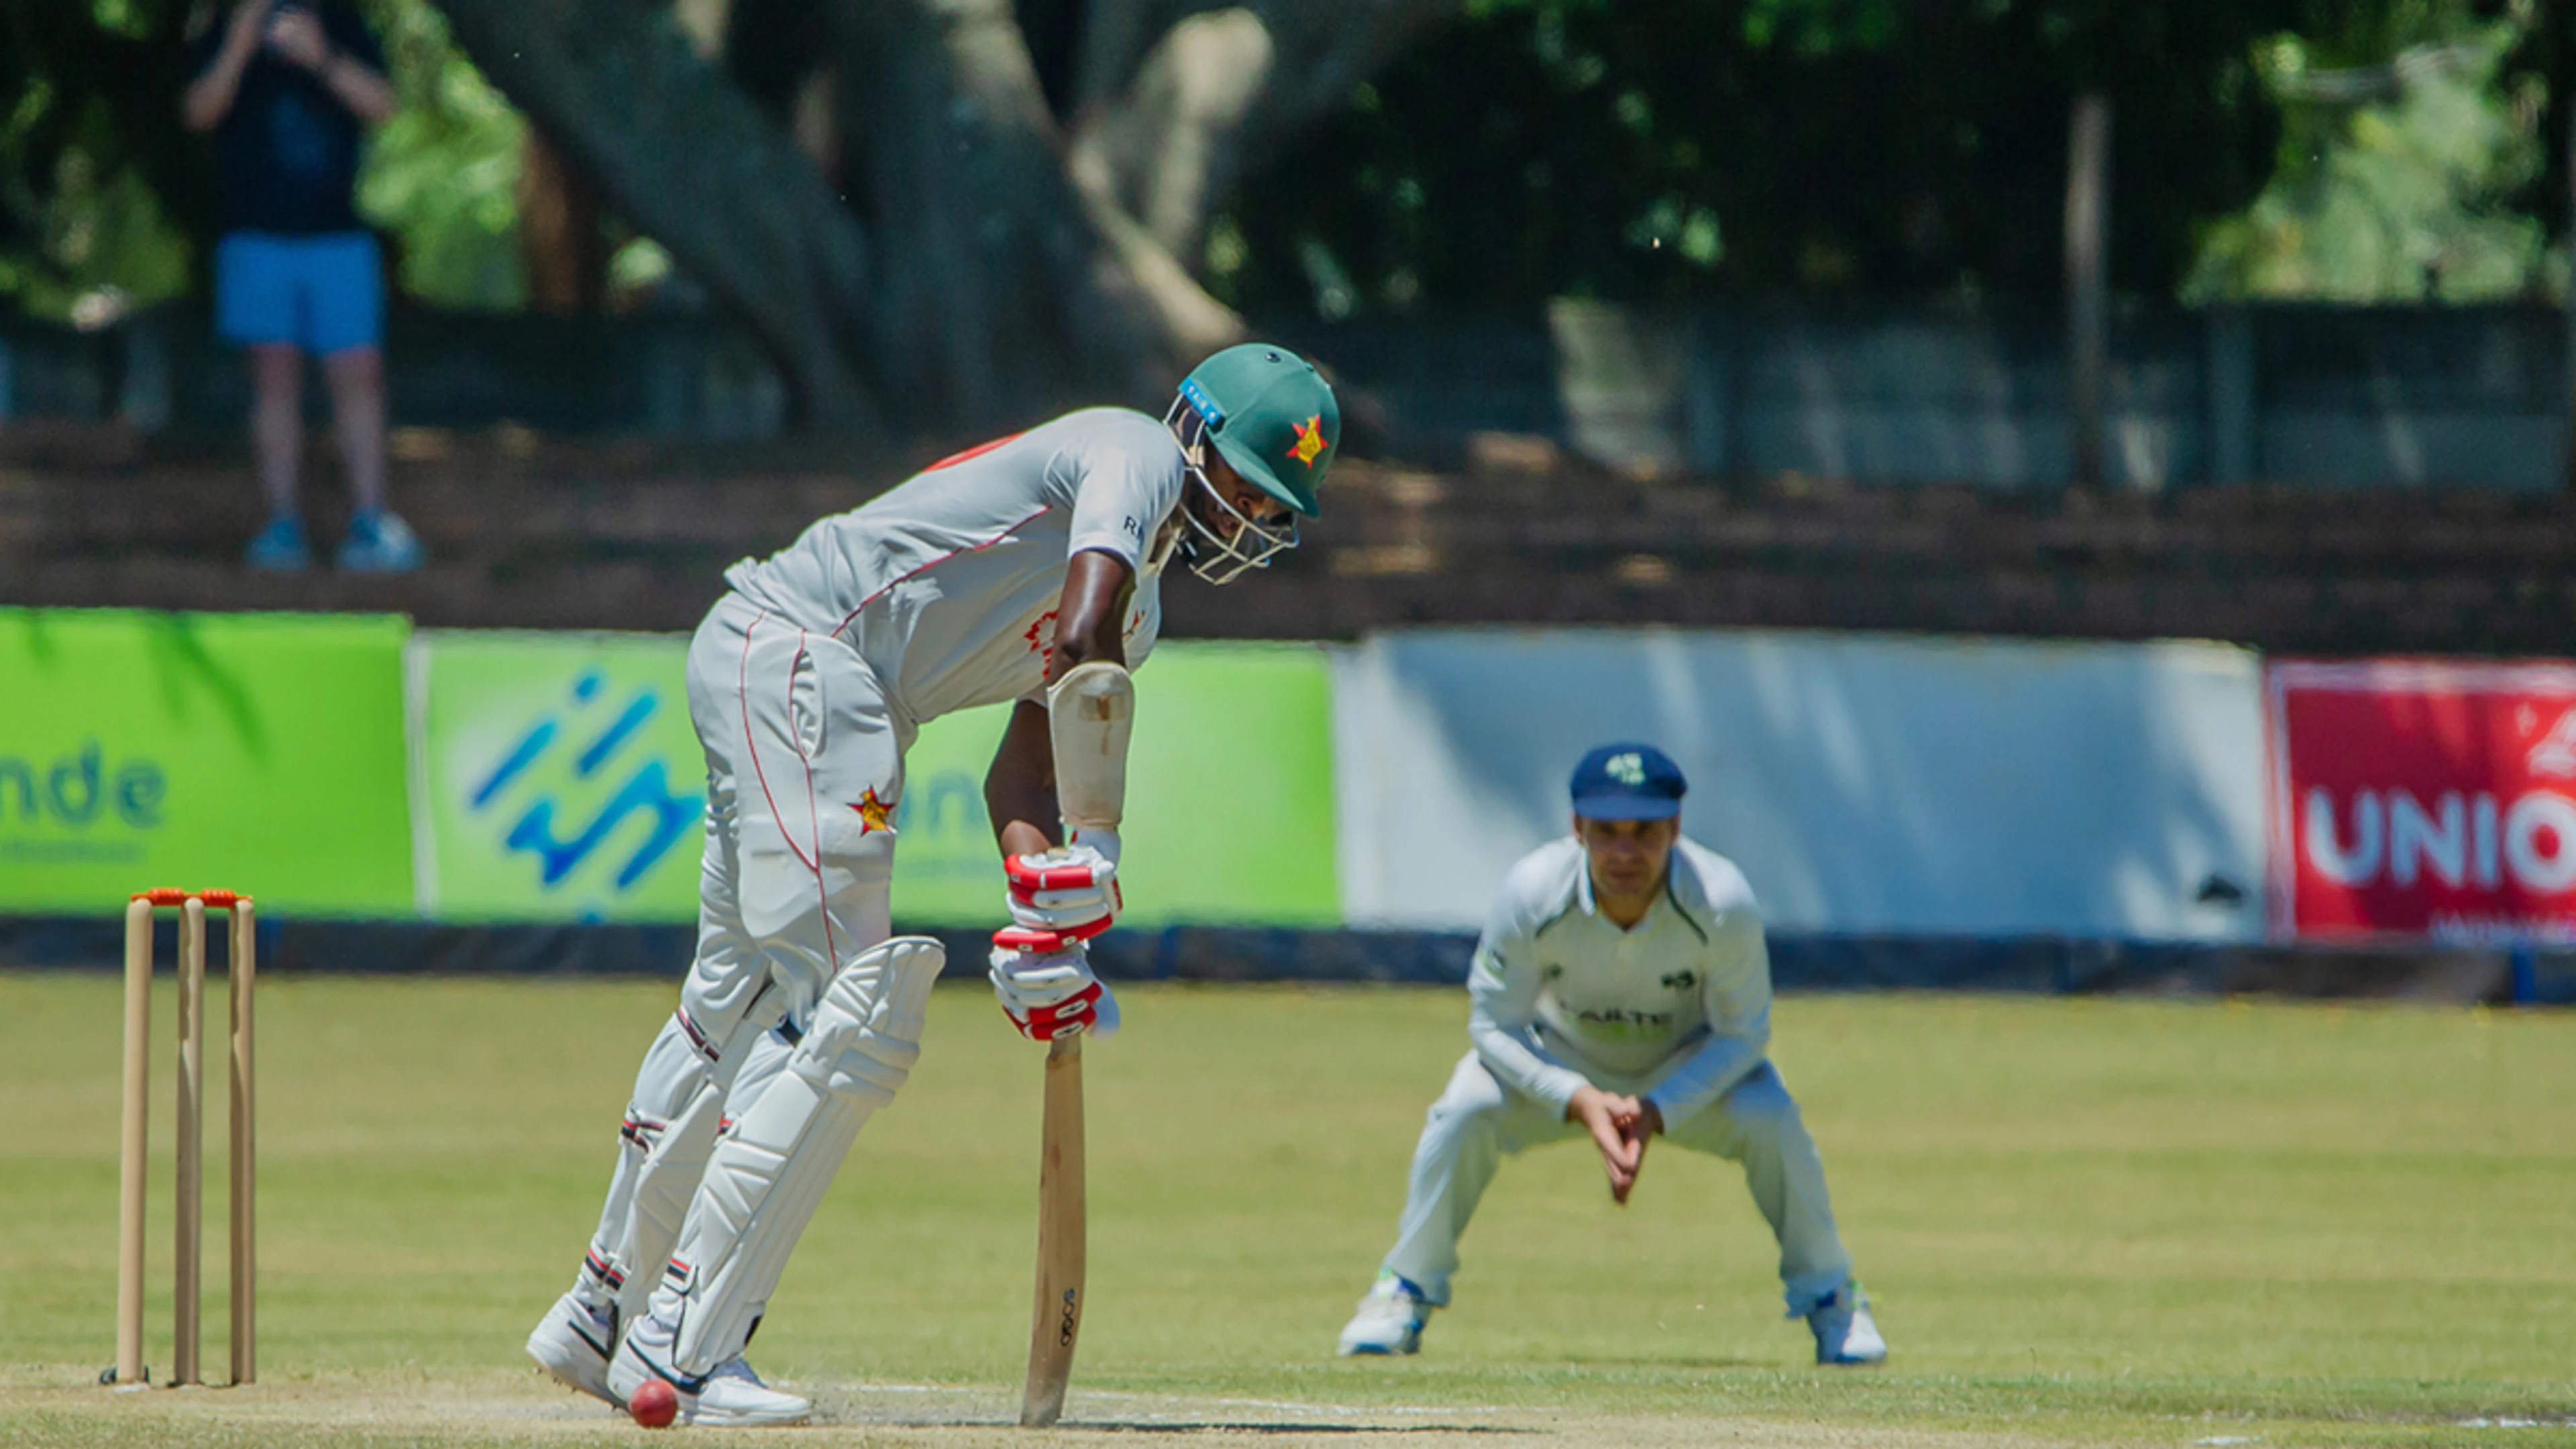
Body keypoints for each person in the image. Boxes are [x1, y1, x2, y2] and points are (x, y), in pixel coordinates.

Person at [523, 344, 1340, 1426]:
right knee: (853, 1019)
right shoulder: (1132, 454)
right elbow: (1083, 636)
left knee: (734, 1002)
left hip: (783, 664)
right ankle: (683, 1343)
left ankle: (598, 1310)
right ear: (1194, 429)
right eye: (1244, 481)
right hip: (816, 663)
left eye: (1270, 503)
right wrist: (1099, 846)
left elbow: (1024, 770)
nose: (1250, 514)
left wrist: (1043, 907)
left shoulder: (1141, 616)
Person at [1335, 743, 1887, 1366]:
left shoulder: (1723, 900)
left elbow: (1744, 1036)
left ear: (1676, 829)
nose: (1626, 852)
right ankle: (1403, 1290)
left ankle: (1833, 1300)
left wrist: (1658, 1108)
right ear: (1577, 829)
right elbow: (1493, 1023)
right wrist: (1575, 1098)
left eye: (1646, 831)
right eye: (1606, 832)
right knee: (1467, 1106)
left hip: (1684, 1068)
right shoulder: (1532, 890)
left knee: (1768, 1113)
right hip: (1565, 1063)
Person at [184, 0, 421, 574]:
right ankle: (282, 525)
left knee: (358, 374)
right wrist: (240, 43)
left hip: (336, 238)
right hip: (255, 238)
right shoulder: (218, 21)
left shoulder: (339, 19)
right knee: (273, 380)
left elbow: (384, 104)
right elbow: (199, 111)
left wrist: (322, 57)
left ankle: (369, 521)